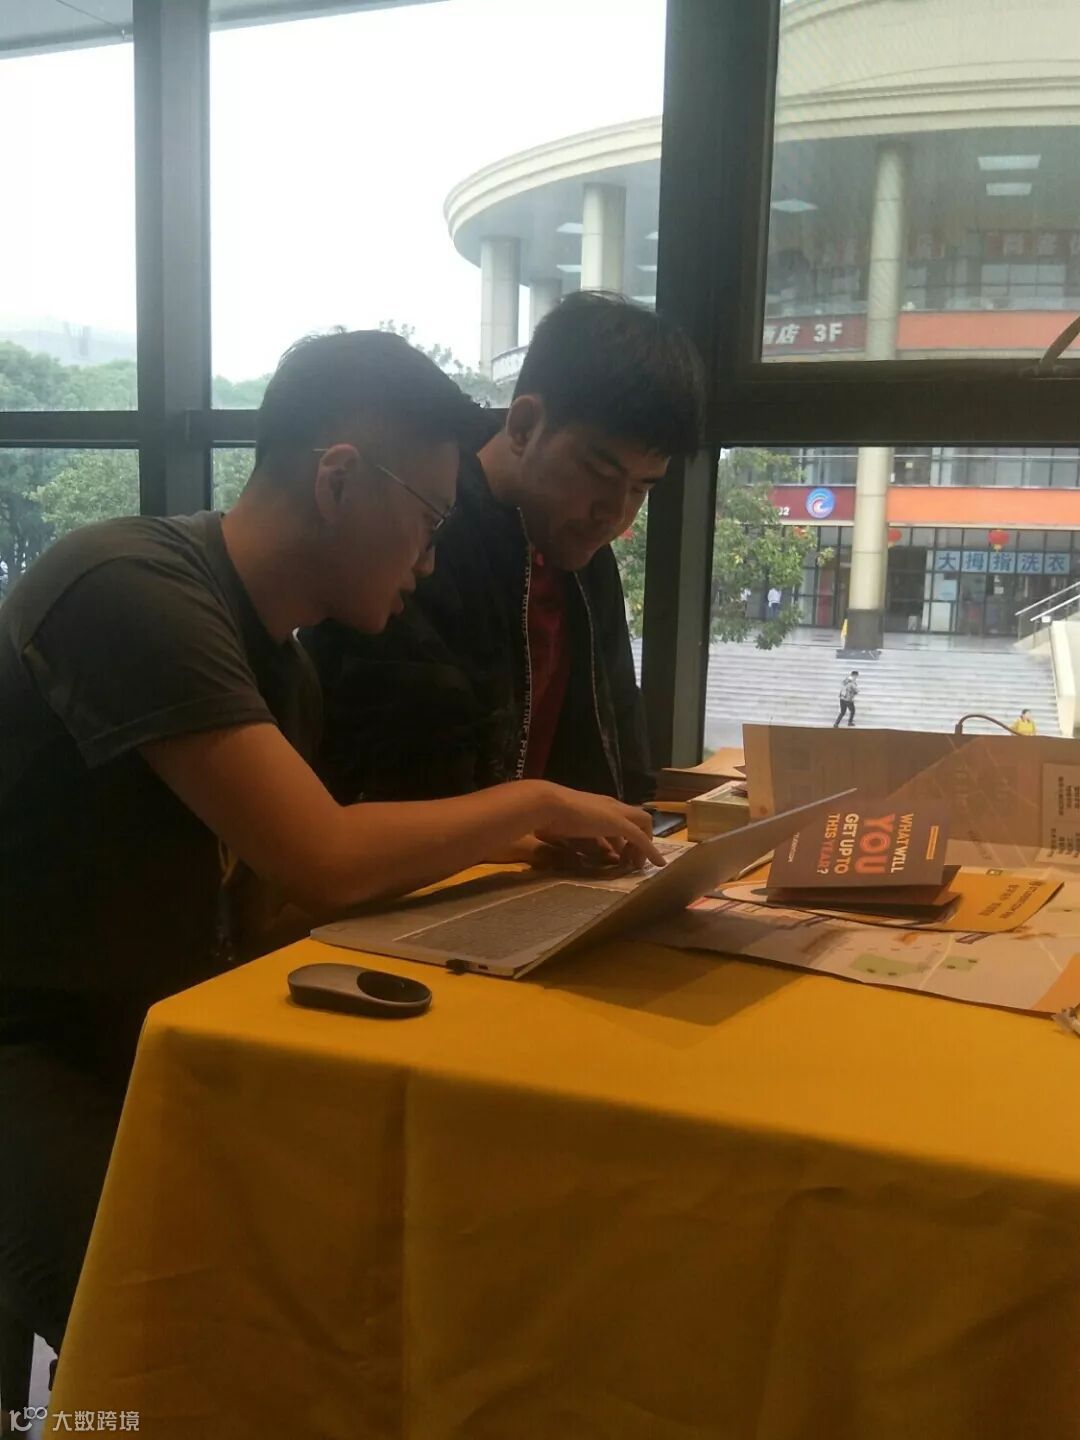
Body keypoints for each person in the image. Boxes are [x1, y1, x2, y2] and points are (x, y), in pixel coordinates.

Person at [0, 329, 663, 1366]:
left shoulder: (285, 672)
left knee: (379, 1254)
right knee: (190, 1349)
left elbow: (277, 904)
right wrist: (532, 804)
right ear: (339, 480)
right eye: (430, 520)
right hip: (29, 1047)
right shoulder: (126, 585)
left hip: (147, 1035)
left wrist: (516, 889)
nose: (431, 559)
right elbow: (323, 858)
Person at [301, 292, 705, 809]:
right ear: (524, 425)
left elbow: (621, 750)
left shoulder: (584, 557)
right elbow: (404, 792)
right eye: (598, 472)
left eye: (641, 488)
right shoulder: (418, 545)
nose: (614, 513)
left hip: (528, 855)